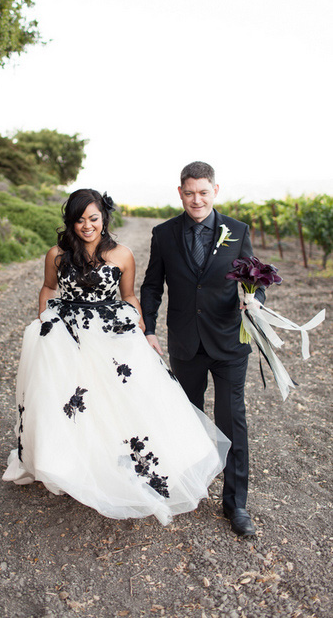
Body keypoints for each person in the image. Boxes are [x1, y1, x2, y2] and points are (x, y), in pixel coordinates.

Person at [3, 188, 230, 526]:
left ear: (104, 218)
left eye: (93, 218)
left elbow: (128, 296)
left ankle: (113, 463)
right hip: (66, 331)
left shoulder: (122, 254)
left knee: (118, 397)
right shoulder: (56, 254)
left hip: (108, 329)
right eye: (79, 220)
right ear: (71, 222)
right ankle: (69, 462)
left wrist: (140, 328)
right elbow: (49, 287)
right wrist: (43, 317)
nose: (86, 226)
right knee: (68, 396)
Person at [141, 162, 265, 536]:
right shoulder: (163, 234)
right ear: (180, 192)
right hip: (184, 342)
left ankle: (236, 505)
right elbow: (151, 285)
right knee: (187, 420)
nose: (197, 199)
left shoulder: (238, 231)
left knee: (232, 421)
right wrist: (147, 327)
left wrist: (253, 298)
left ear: (215, 191)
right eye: (190, 192)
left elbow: (253, 277)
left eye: (204, 192)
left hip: (228, 342)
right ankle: (186, 489)